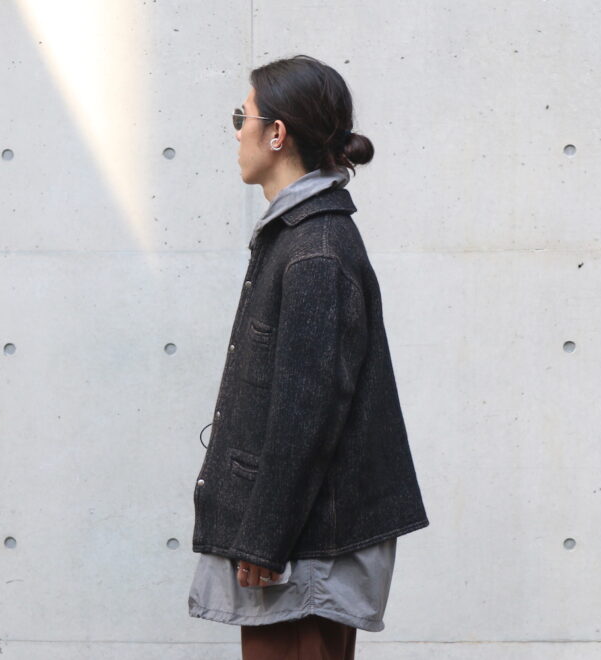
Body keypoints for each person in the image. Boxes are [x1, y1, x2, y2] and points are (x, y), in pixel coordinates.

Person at [189, 54, 430, 660]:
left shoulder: (314, 249)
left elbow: (307, 414)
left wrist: (264, 539)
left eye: (242, 117)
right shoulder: (300, 236)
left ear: (276, 133)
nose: (236, 132)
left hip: (305, 552)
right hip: (300, 542)